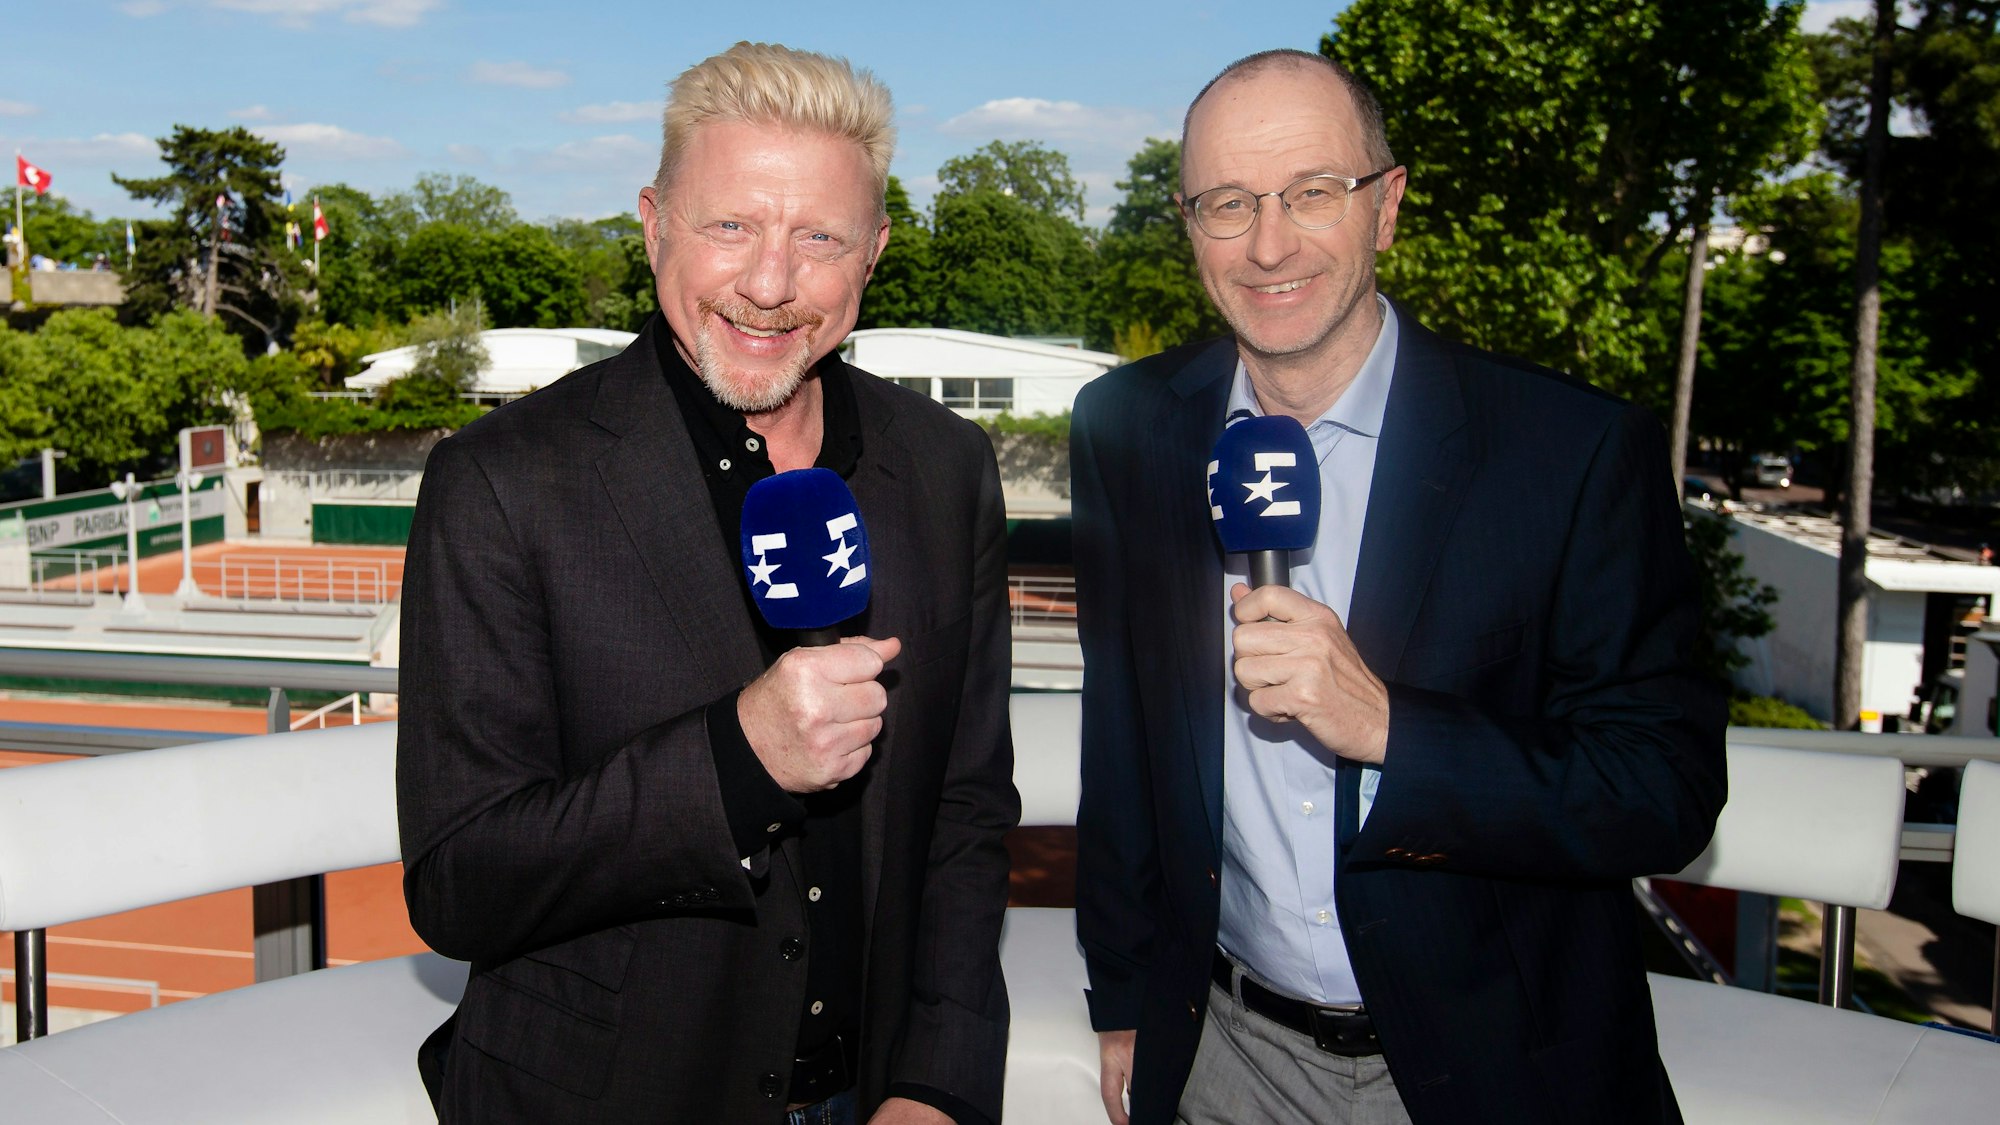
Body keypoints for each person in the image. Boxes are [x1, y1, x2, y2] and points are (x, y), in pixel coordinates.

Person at [1071, 49, 1727, 1125]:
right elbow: (1125, 740)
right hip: (1224, 1055)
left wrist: (1386, 726)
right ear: (1186, 223)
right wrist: (1124, 991)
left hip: (1498, 1071)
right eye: (1226, 204)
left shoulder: (1568, 451)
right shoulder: (1127, 428)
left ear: (1385, 207)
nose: (1268, 244)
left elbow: (1661, 788)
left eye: (1312, 194)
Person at [397, 41, 1017, 1125]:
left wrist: (938, 1081)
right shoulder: (499, 480)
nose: (769, 285)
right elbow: (460, 880)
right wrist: (738, 763)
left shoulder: (947, 466)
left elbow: (962, 808)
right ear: (652, 224)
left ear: (871, 252)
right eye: (728, 225)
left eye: (816, 237)